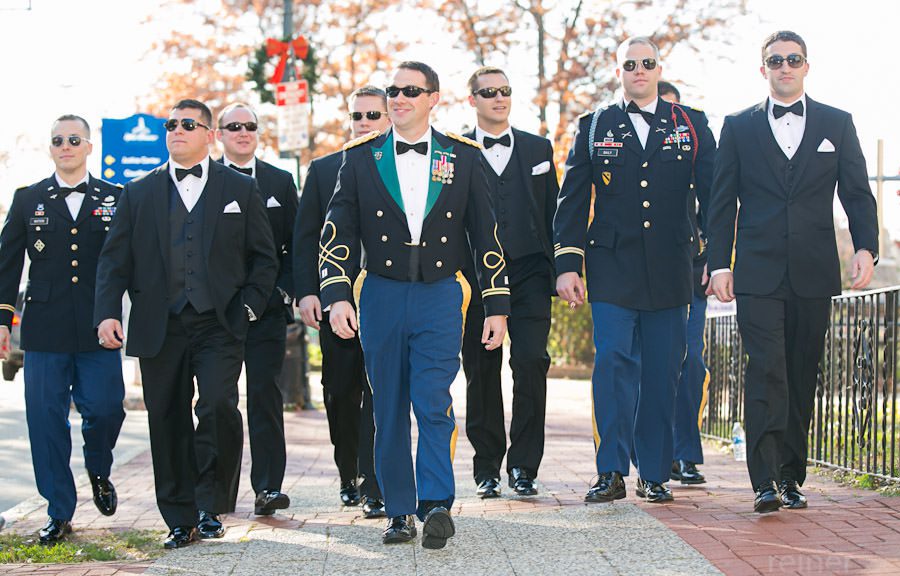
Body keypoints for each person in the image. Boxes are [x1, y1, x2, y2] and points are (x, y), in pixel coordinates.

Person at [320, 61, 509, 549]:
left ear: (433, 98)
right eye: (393, 91)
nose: (398, 98)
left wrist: (496, 304)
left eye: (410, 90)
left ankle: (437, 504)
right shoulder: (360, 157)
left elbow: (486, 233)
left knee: (433, 400)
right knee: (387, 406)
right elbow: (337, 231)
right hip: (381, 294)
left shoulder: (463, 156)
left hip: (440, 294)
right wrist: (337, 294)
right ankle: (398, 511)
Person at [706, 30, 878, 513]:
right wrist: (719, 263)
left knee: (802, 374)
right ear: (763, 69)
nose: (785, 67)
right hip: (756, 274)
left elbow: (858, 192)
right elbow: (721, 203)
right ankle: (763, 480)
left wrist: (865, 246)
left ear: (806, 66)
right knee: (765, 371)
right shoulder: (737, 127)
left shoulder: (837, 123)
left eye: (793, 59)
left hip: (813, 271)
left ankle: (790, 476)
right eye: (775, 60)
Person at [94, 99, 278, 548]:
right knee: (166, 418)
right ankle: (178, 516)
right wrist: (107, 313)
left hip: (220, 322)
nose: (176, 130)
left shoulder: (239, 188)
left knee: (217, 406)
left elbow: (264, 258)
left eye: (187, 124)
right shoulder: (137, 192)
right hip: (161, 324)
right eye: (171, 124)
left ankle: (210, 504)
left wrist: (250, 307)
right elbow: (114, 260)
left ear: (209, 134)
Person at [554, 37, 716, 504]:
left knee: (665, 372)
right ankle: (610, 470)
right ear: (618, 70)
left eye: (647, 63)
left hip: (671, 268)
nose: (639, 70)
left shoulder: (692, 124)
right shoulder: (594, 125)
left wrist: (712, 255)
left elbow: (714, 195)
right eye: (630, 64)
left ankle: (654, 472)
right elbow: (571, 203)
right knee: (612, 367)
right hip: (612, 267)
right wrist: (567, 264)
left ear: (659, 68)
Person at [0, 115, 126, 544]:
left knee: (107, 408)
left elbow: (131, 261)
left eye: (74, 139)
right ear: (50, 148)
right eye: (58, 140)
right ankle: (58, 510)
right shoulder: (28, 198)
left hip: (99, 326)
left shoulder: (117, 197)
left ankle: (99, 467)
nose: (65, 145)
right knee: (45, 420)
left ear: (89, 146)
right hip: (44, 329)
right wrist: (2, 320)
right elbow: (8, 263)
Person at [461, 66, 558, 498]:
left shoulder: (539, 148)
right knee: (481, 370)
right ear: (472, 100)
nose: (498, 98)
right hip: (476, 279)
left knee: (532, 363)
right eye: (488, 93)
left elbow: (555, 212)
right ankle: (486, 467)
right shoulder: (456, 150)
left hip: (531, 272)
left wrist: (563, 271)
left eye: (504, 91)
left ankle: (524, 467)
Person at [294, 86, 390, 518]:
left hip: (386, 299)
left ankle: (375, 483)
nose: (364, 122)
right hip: (336, 304)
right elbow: (305, 238)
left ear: (390, 117)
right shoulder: (324, 169)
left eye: (373, 114)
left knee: (380, 393)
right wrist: (309, 291)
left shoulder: (404, 168)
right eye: (357, 115)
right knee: (339, 391)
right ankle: (347, 470)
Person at [215, 102, 297, 516]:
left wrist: (284, 292)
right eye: (234, 127)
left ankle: (268, 488)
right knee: (219, 401)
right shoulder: (206, 182)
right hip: (220, 314)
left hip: (267, 311)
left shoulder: (281, 182)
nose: (242, 132)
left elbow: (296, 245)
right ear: (219, 134)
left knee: (265, 397)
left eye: (249, 126)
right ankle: (220, 492)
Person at [658, 80, 708, 486]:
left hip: (692, 272)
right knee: (646, 365)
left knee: (690, 361)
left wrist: (716, 260)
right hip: (642, 275)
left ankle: (685, 453)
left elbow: (717, 204)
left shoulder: (697, 149)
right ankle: (651, 452)